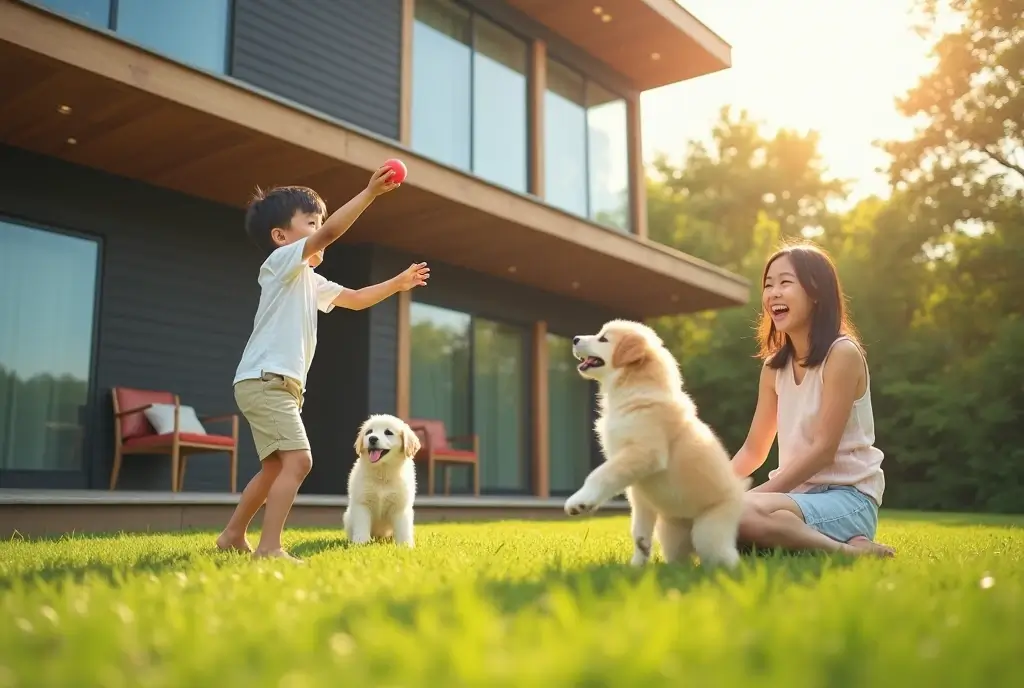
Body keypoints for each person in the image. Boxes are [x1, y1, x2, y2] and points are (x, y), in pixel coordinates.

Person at [216, 167, 430, 562]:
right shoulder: (281, 262)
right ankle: (270, 548)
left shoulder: (310, 281)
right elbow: (331, 233)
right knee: (300, 462)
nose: (320, 229)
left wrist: (396, 284)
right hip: (267, 380)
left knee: (273, 470)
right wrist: (369, 194)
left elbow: (356, 298)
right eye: (310, 222)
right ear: (281, 236)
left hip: (277, 384)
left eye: (319, 221)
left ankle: (232, 536)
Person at [730, 242, 895, 558]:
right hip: (795, 498)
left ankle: (847, 552)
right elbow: (753, 450)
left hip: (847, 498)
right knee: (707, 523)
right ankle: (828, 543)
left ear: (816, 292)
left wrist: (751, 498)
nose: (773, 293)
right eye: (768, 285)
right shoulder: (773, 368)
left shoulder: (842, 355)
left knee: (733, 516)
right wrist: (710, 490)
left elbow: (822, 451)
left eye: (785, 282)